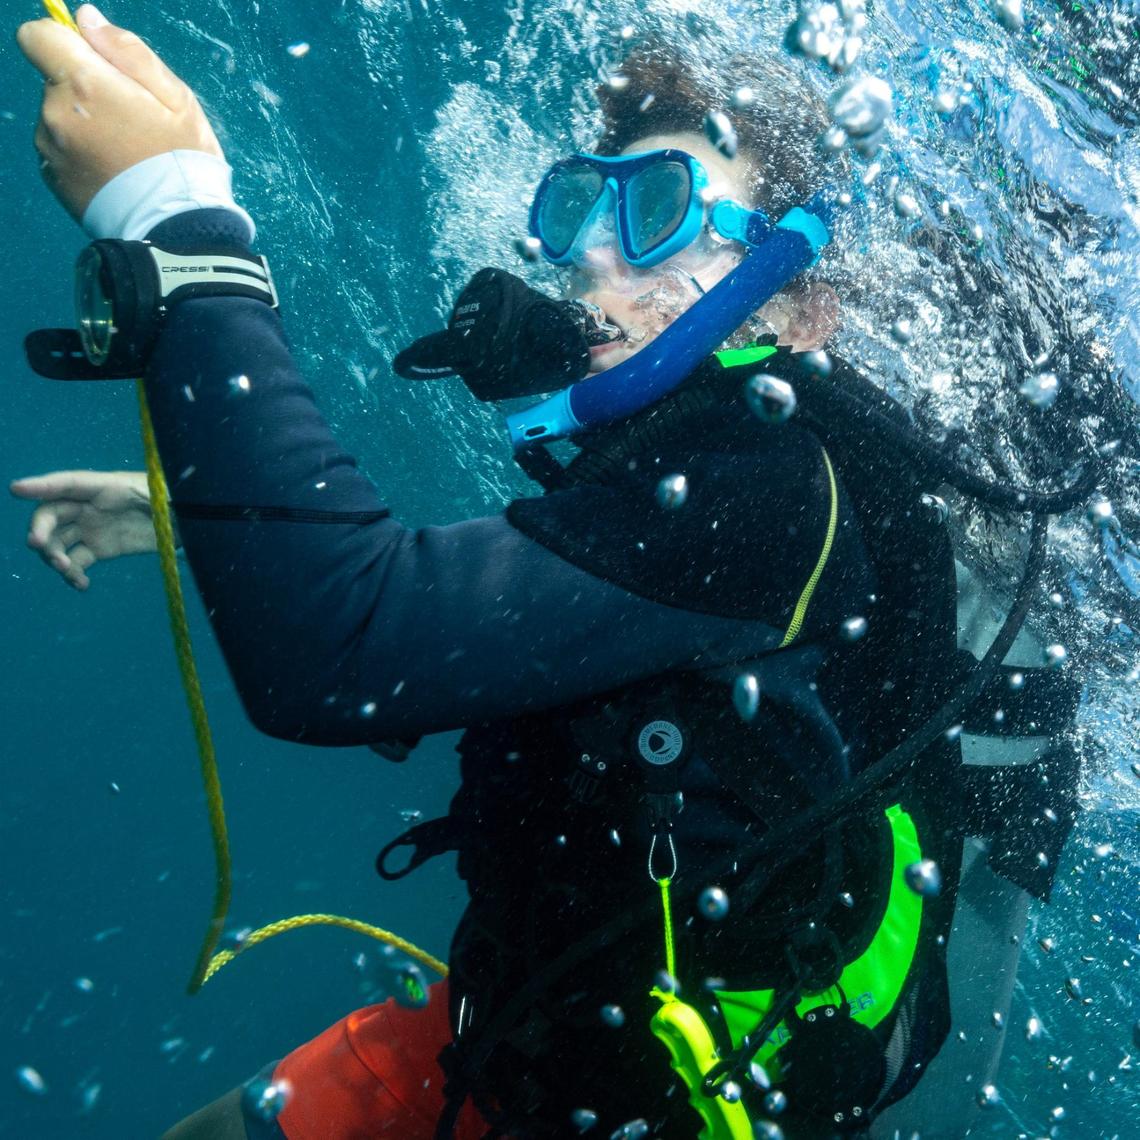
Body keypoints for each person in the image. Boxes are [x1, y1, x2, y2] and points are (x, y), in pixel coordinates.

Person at [14, 8, 1085, 1139]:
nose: (591, 253)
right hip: (531, 1026)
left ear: (794, 301)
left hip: (664, 1099)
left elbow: (342, 652)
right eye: (579, 207)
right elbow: (484, 619)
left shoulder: (762, 486)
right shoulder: (668, 489)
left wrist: (176, 224)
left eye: (660, 209)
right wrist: (209, 535)